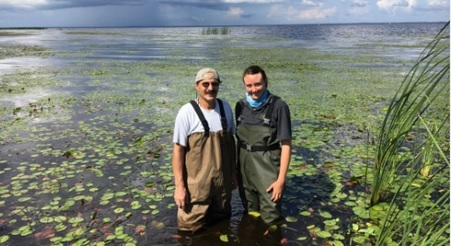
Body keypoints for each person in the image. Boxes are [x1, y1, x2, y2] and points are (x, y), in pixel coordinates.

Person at [172, 67, 237, 233]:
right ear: (197, 86)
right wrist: (180, 187)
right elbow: (178, 151)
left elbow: (231, 144)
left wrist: (234, 174)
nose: (210, 88)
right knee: (189, 229)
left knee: (222, 225)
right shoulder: (186, 112)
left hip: (222, 183)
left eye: (214, 84)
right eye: (205, 84)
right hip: (196, 185)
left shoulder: (225, 108)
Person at [235, 65, 292, 226]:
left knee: (271, 216)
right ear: (245, 85)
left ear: (266, 82)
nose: (254, 90)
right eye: (249, 85)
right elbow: (238, 141)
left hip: (268, 170)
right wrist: (235, 171)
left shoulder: (279, 106)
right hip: (245, 170)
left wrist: (281, 180)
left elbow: (286, 145)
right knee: (250, 213)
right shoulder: (240, 106)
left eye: (258, 84)